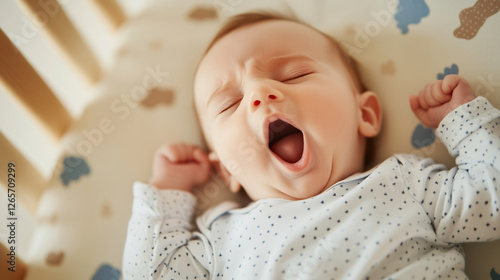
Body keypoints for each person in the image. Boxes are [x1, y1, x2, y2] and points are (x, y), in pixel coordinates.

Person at [122, 12, 500, 279]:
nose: (258, 93)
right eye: (230, 103)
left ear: (364, 115)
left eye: (295, 74)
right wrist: (168, 191)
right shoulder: (225, 238)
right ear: (225, 170)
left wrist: (463, 122)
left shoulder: (405, 184)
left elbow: (493, 199)